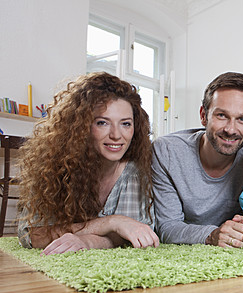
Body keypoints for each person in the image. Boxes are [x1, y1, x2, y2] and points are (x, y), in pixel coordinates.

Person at [17, 72, 160, 254]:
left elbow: (132, 235)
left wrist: (87, 241)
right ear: (81, 127)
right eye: (102, 123)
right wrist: (112, 222)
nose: (116, 135)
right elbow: (35, 235)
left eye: (125, 124)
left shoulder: (134, 171)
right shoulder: (54, 167)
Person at [152, 72, 243, 247]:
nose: (230, 129)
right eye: (221, 115)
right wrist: (212, 235)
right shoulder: (166, 152)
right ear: (203, 115)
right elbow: (167, 226)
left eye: (242, 119)